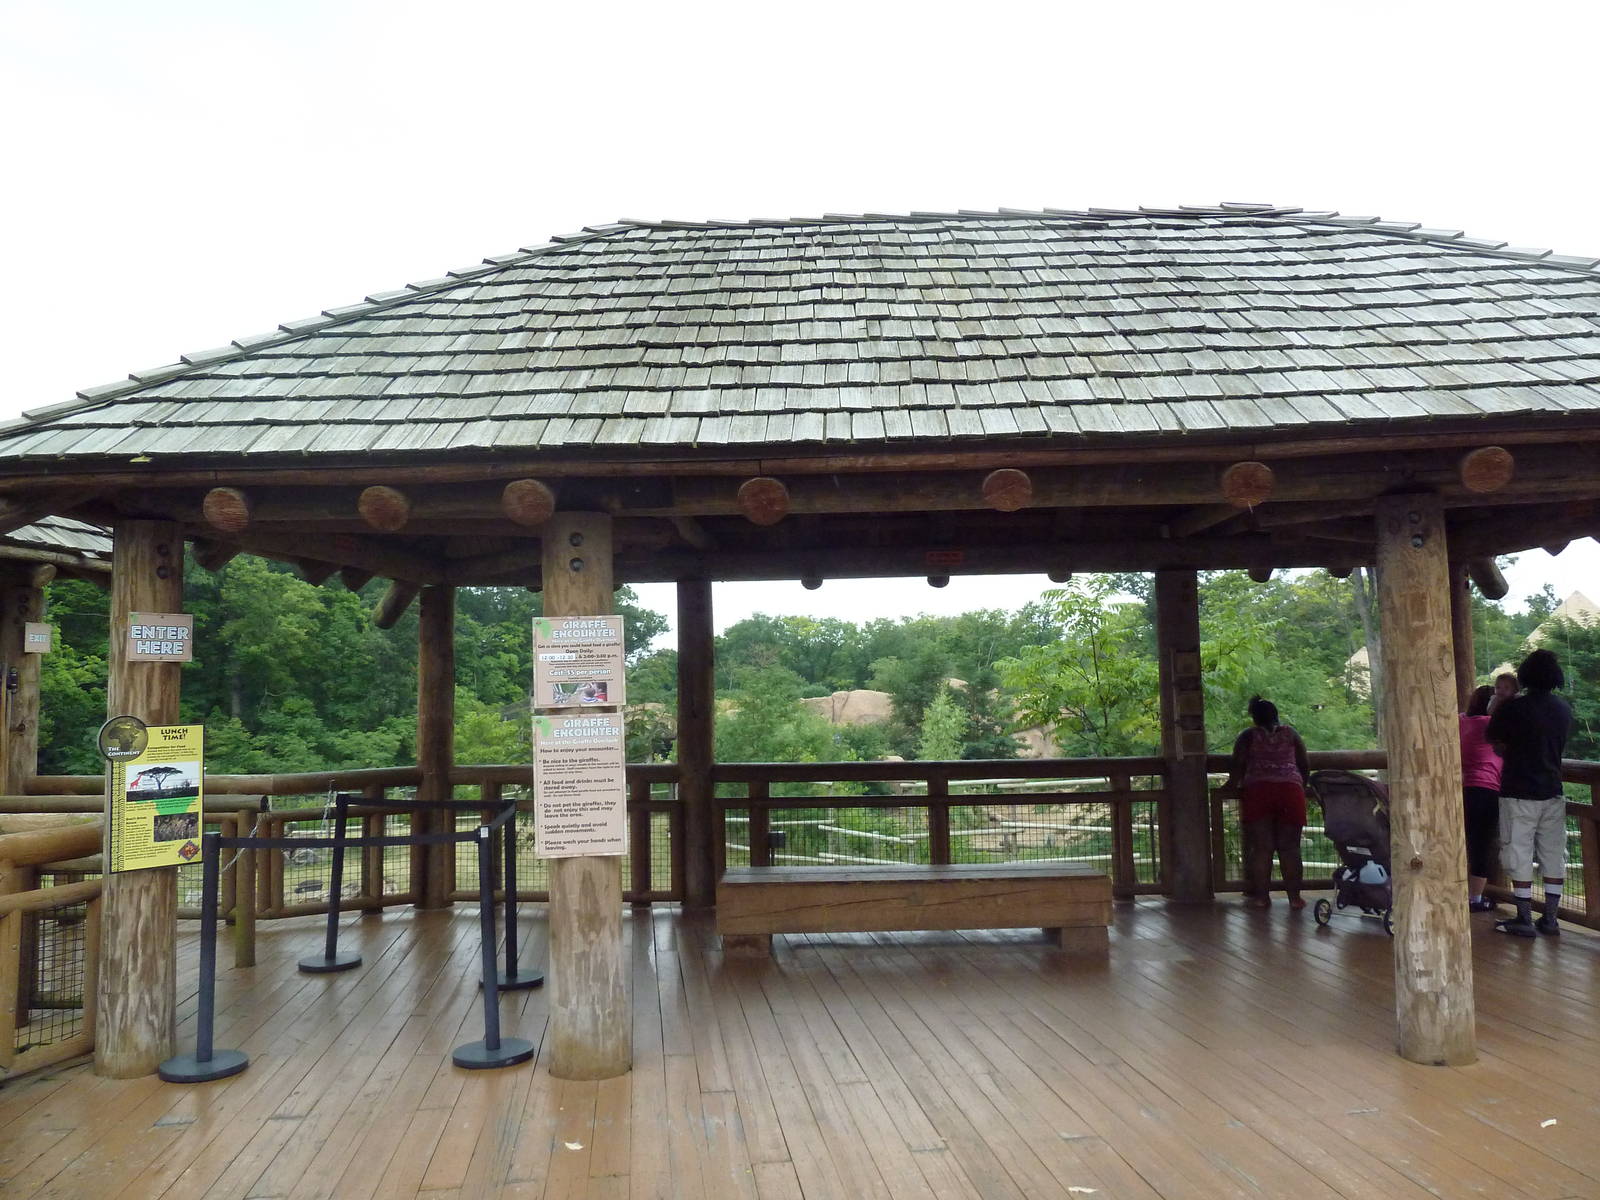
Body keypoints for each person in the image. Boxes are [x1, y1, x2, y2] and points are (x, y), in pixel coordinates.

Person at [1486, 649, 1572, 937]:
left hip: (1518, 791)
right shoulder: (1563, 709)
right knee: (1552, 854)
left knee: (1518, 851)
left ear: (1524, 677)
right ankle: (1550, 919)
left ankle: (1523, 917)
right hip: (1553, 791)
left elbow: (1495, 741)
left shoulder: (1513, 708)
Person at [1227, 697, 1311, 909]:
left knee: (1262, 848)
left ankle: (1262, 898)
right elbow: (1303, 763)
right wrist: (1303, 785)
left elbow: (1238, 763)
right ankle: (1294, 898)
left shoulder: (1248, 736)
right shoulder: (1290, 734)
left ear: (1254, 717)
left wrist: (1230, 786)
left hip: (1258, 791)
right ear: (1276, 714)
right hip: (1290, 791)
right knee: (1290, 847)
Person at [1459, 684, 1502, 913]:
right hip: (1487, 788)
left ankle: (1461, 892)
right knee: (1482, 845)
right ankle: (1475, 898)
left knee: (1466, 841)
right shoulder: (1490, 725)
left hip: (1463, 787)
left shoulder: (1461, 721)